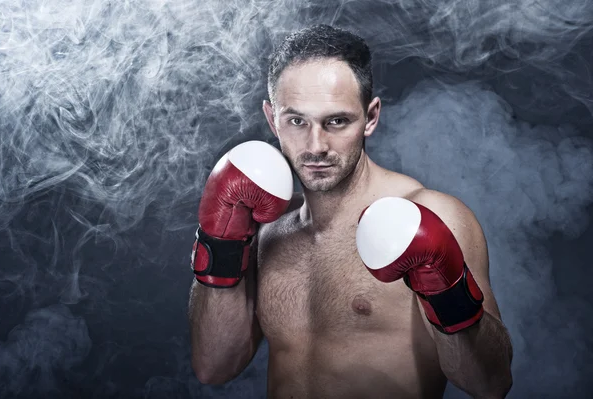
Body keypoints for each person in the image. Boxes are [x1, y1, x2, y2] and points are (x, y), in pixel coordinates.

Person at [189, 24, 513, 399]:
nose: (316, 145)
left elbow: (491, 384)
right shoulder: (265, 231)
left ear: (370, 117)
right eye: (297, 121)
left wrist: (447, 291)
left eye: (336, 121)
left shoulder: (431, 216)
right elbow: (213, 367)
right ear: (271, 119)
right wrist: (220, 243)